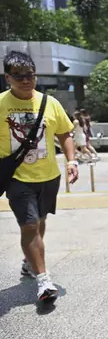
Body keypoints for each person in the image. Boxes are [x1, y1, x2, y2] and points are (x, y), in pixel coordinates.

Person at [0, 51, 79, 302]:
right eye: (19, 76)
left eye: (30, 75)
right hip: (16, 178)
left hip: (48, 176)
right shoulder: (1, 104)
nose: (25, 80)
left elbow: (65, 133)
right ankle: (44, 281)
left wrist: (72, 160)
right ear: (7, 78)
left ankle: (29, 261)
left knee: (41, 220)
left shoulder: (50, 103)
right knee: (30, 225)